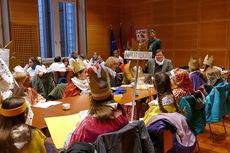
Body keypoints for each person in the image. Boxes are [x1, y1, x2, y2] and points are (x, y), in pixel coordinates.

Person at [67, 68, 128, 146]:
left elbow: (72, 147)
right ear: (111, 95)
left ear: (92, 99)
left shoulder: (87, 125)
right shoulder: (121, 114)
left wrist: (78, 127)